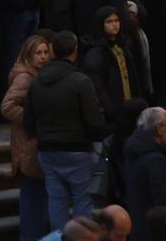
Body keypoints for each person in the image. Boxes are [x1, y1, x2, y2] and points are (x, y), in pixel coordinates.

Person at [24, 31, 108, 230]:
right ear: (75, 50)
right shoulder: (80, 81)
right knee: (82, 199)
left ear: (53, 51)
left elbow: (29, 120)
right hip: (77, 149)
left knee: (56, 200)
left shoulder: (36, 83)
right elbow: (94, 122)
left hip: (47, 149)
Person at [1, 34, 51, 241]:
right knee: (33, 200)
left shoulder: (36, 75)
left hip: (32, 146)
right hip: (28, 147)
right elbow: (7, 106)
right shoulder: (25, 77)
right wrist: (32, 119)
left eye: (45, 52)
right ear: (28, 56)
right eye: (37, 53)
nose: (42, 57)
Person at [124, 107, 166, 241]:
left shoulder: (134, 151)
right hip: (155, 231)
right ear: (159, 129)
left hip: (138, 225)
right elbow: (164, 199)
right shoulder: (156, 160)